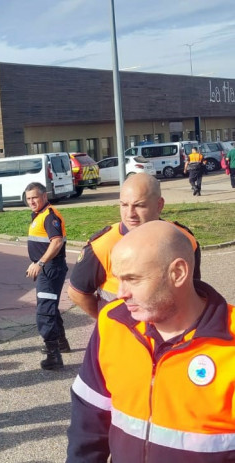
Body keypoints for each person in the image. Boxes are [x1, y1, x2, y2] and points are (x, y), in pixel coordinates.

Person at [67, 221, 235, 462]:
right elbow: (89, 417)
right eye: (119, 279)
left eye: (133, 279)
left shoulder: (230, 342)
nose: (121, 292)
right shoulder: (113, 322)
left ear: (178, 273)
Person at [68, 173, 201, 319]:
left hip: (172, 335)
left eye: (139, 205)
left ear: (159, 205)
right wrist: (108, 323)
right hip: (122, 338)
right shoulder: (102, 246)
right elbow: (77, 293)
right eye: (124, 205)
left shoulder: (184, 240)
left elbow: (192, 290)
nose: (130, 214)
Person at [24, 182, 69, 370]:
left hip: (50, 268)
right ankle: (61, 343)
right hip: (46, 267)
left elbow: (57, 242)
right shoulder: (40, 215)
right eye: (28, 199)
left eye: (35, 197)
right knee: (50, 307)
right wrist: (36, 261)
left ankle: (54, 356)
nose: (31, 202)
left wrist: (41, 262)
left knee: (45, 311)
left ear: (44, 196)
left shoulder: (50, 216)